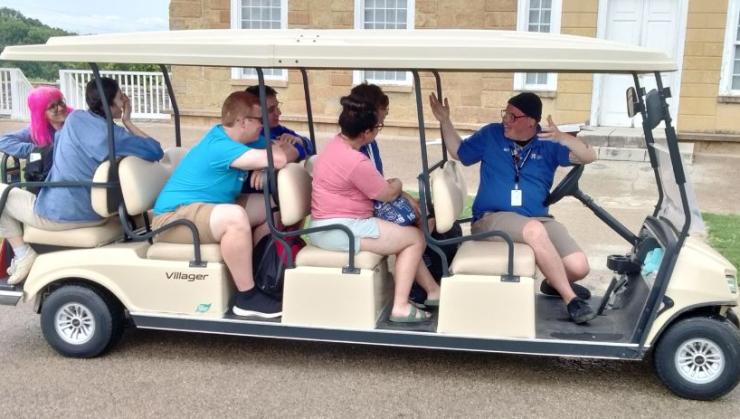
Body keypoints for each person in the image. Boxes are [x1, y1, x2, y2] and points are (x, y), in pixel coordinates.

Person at [428, 91, 598, 324]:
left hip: (537, 218)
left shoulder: (548, 142)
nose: (505, 120)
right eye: (505, 114)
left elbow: (589, 156)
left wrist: (562, 137)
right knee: (534, 231)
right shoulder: (491, 135)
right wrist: (445, 121)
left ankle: (553, 284)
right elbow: (459, 153)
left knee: (579, 267)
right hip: (492, 218)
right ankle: (571, 300)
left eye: (512, 116)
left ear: (531, 121)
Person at [0, 77, 164, 284]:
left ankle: (23, 254)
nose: (124, 101)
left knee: (3, 192)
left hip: (63, 213)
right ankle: (22, 255)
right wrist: (128, 121)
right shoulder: (117, 136)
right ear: (109, 103)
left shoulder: (75, 119)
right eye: (120, 97)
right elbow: (155, 150)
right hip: (98, 210)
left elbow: (57, 144)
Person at [152, 91, 297, 318]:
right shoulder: (220, 146)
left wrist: (265, 162)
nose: (264, 124)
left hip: (206, 207)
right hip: (173, 218)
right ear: (242, 122)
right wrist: (272, 155)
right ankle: (247, 297)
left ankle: (258, 278)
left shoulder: (243, 139)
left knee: (272, 206)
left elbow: (291, 149)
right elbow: (279, 157)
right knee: (234, 217)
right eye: (259, 120)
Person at [308, 94, 441, 323]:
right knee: (414, 239)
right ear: (367, 132)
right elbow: (387, 193)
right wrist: (398, 182)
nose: (378, 130)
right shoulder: (354, 161)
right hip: (340, 229)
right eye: (377, 126)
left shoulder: (335, 145)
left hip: (330, 224)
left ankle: (433, 291)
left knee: (405, 239)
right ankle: (400, 306)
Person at [242, 85, 313, 193]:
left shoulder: (277, 130)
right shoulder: (252, 135)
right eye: (271, 110)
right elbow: (297, 150)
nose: (279, 113)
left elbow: (307, 147)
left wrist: (299, 140)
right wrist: (270, 164)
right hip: (258, 193)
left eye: (277, 107)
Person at [0, 86, 71, 189]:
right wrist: (37, 151)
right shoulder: (35, 131)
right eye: (52, 106)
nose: (60, 108)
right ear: (41, 112)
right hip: (49, 185)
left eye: (61, 102)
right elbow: (3, 141)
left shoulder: (76, 123)